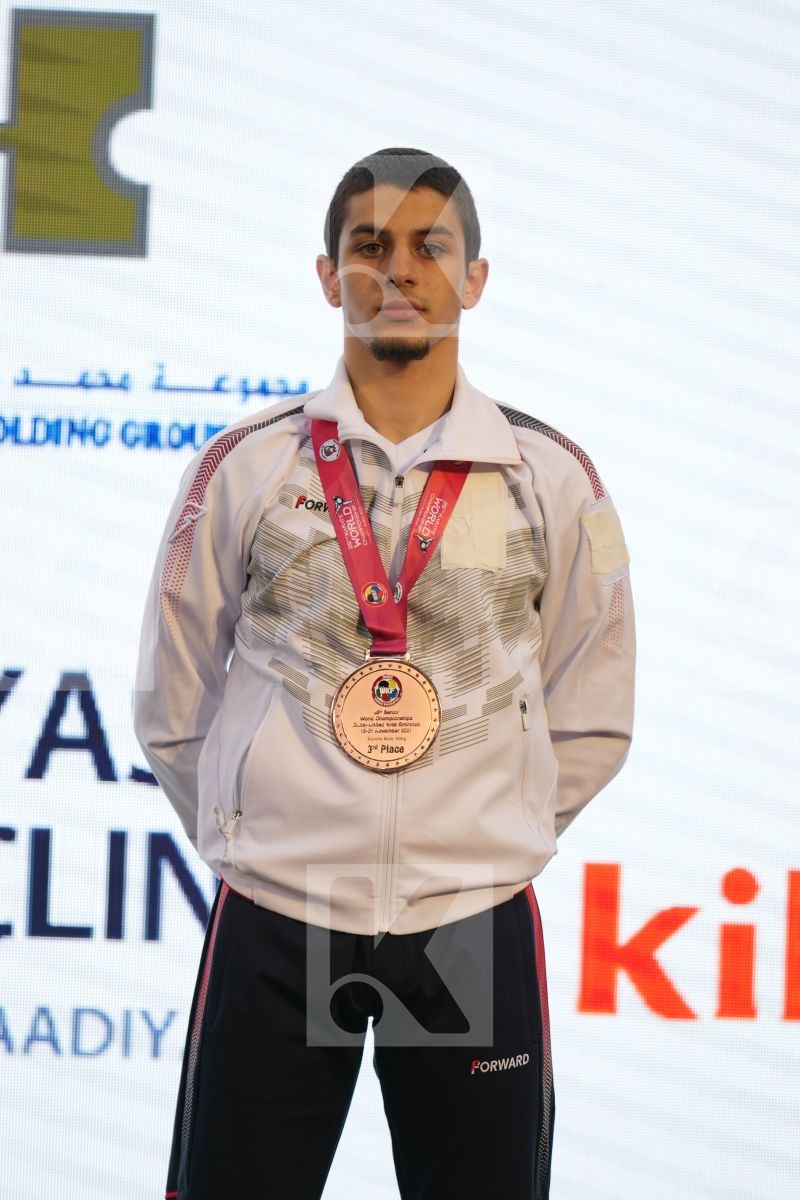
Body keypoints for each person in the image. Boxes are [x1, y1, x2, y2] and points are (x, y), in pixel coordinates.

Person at [134, 147, 635, 1200]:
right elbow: (173, 696)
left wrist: (480, 831)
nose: (396, 270)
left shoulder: (551, 477)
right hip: (281, 909)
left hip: (465, 917)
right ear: (328, 276)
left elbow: (592, 707)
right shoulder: (248, 466)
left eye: (427, 247)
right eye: (368, 246)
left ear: (474, 277)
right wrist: (259, 825)